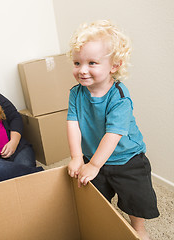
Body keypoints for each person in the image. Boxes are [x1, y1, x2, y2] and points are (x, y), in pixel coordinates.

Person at [66, 20, 159, 240]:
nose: (83, 70)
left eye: (92, 63)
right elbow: (73, 123)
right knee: (93, 196)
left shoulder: (119, 96)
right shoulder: (75, 93)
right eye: (77, 63)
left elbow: (113, 134)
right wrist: (77, 157)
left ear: (114, 66)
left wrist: (94, 165)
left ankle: (138, 228)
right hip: (92, 155)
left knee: (135, 199)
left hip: (127, 158)